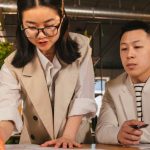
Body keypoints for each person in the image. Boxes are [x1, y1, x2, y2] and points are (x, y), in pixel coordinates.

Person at [0, 0, 97, 148]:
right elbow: (7, 108)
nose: (41, 35)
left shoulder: (81, 47)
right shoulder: (12, 64)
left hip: (75, 141)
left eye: (50, 25)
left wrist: (67, 137)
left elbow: (83, 96)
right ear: (21, 25)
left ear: (62, 19)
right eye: (31, 27)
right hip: (35, 144)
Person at [96, 20, 150, 145]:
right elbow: (102, 131)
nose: (129, 55)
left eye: (137, 47)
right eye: (124, 49)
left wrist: (132, 135)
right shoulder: (112, 87)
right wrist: (118, 134)